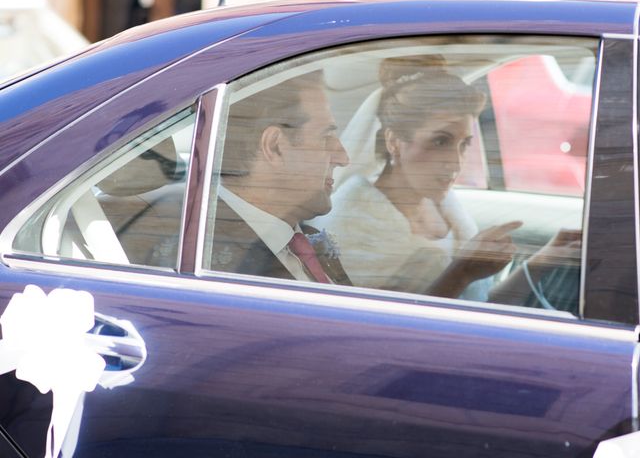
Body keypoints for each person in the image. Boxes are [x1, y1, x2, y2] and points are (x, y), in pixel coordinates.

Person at [312, 55, 581, 307]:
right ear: (394, 141)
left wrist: (544, 259)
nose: (455, 163)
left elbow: (477, 307)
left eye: (463, 144)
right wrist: (461, 271)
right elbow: (386, 331)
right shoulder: (352, 220)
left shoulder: (445, 204)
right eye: (440, 141)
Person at [209, 70, 352, 285]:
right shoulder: (214, 260)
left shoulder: (307, 240)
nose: (343, 158)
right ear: (275, 147)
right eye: (326, 137)